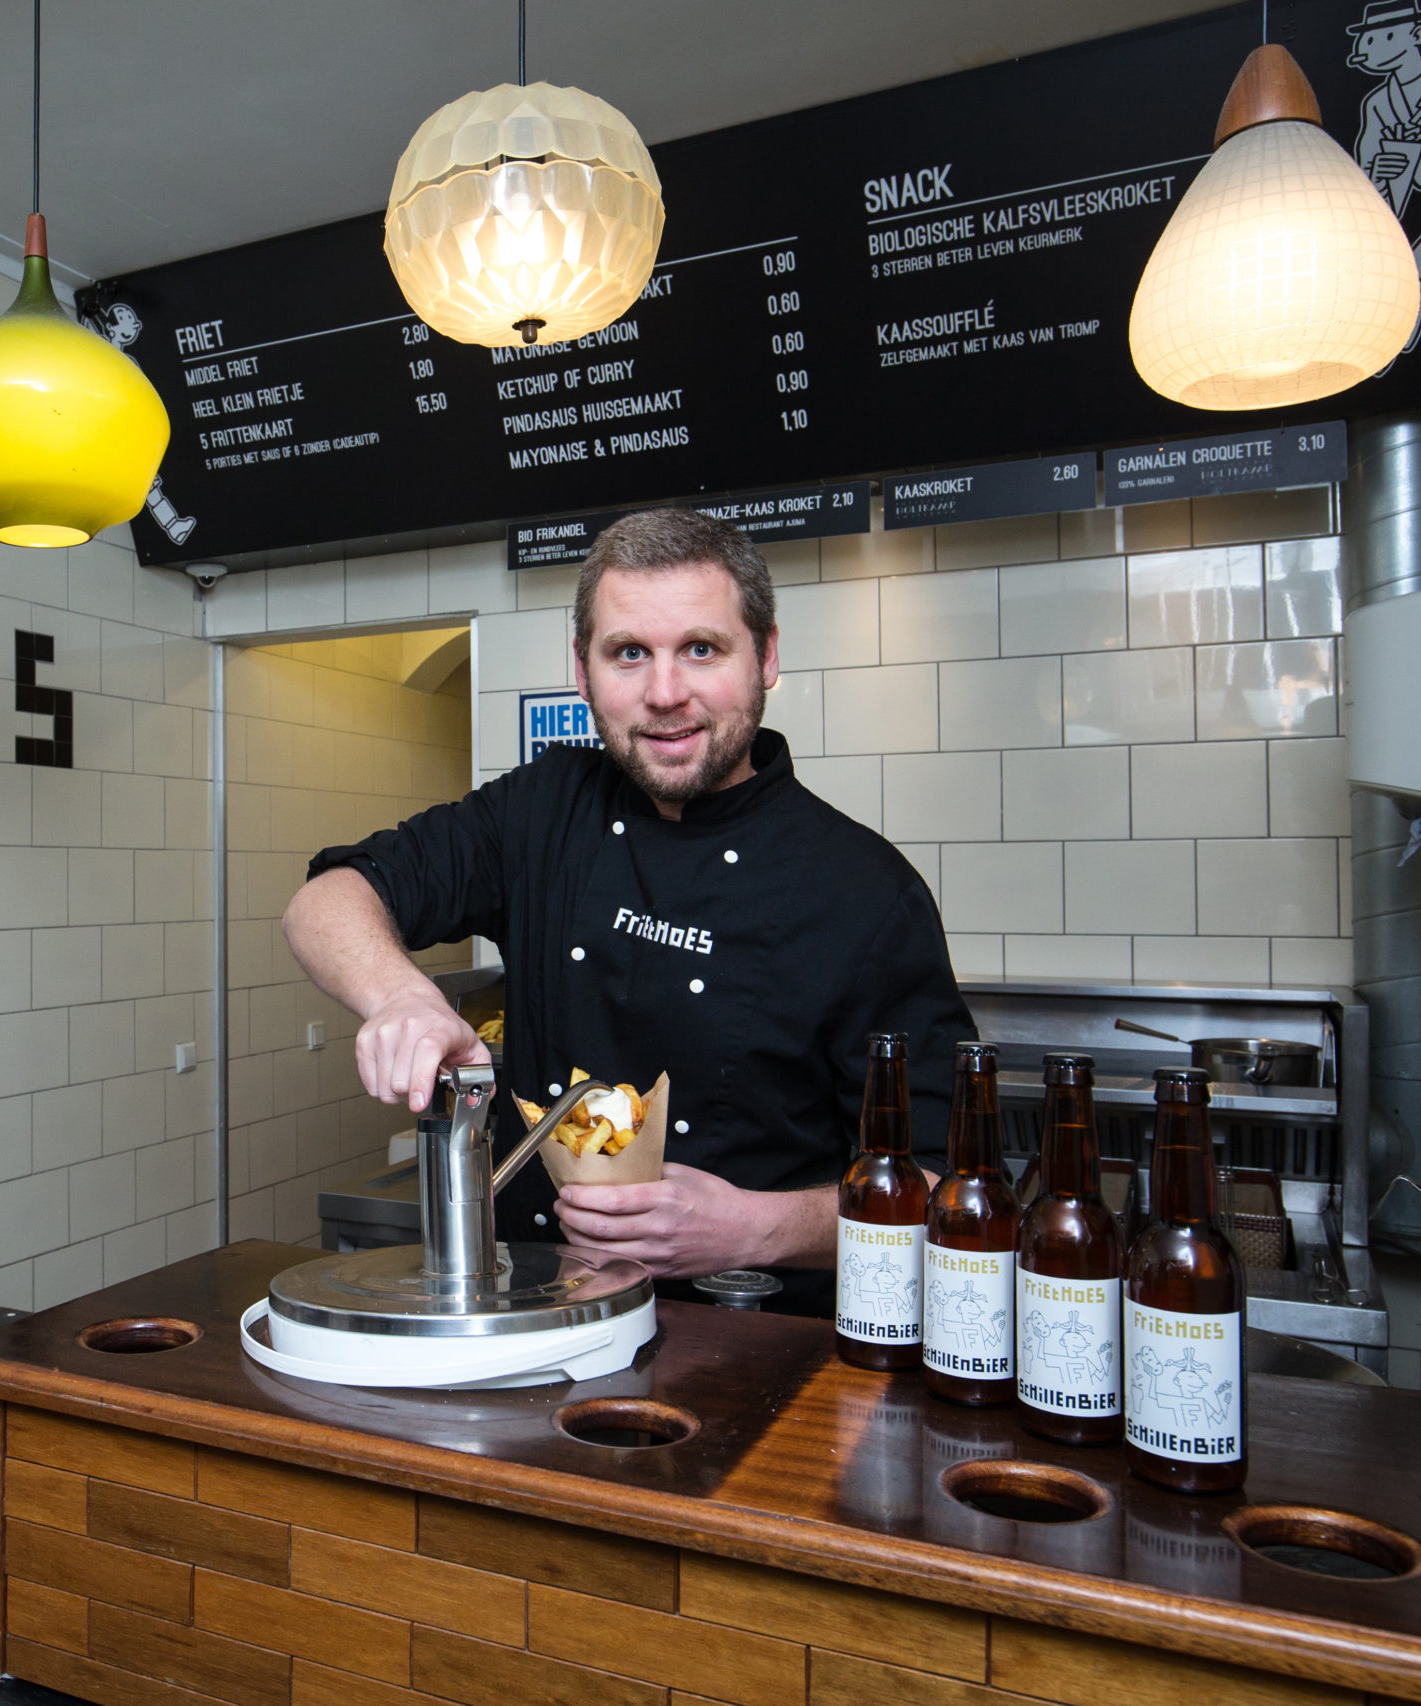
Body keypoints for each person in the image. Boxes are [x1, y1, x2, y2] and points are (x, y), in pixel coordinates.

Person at [282, 507, 973, 1316]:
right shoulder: (541, 810)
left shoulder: (864, 889)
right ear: (582, 671)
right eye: (629, 654)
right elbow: (327, 899)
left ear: (768, 657)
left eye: (702, 649)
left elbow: (945, 1188)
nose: (665, 693)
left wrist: (755, 1228)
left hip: (761, 1354)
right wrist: (398, 996)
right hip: (532, 1318)